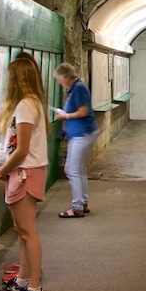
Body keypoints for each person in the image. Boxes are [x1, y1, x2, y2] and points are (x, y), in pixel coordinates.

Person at [0, 58, 48, 291]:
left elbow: (22, 149)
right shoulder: (29, 103)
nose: (6, 81)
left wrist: (2, 170)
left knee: (28, 232)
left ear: (17, 79)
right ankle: (23, 279)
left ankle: (34, 288)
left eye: (9, 77)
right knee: (22, 231)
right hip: (24, 171)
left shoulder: (26, 105)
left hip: (25, 172)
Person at [54, 63, 97, 218]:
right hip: (79, 133)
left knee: (71, 170)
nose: (59, 83)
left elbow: (83, 111)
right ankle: (83, 203)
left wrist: (66, 116)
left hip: (81, 134)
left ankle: (77, 207)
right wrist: (66, 129)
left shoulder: (78, 88)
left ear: (67, 77)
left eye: (60, 80)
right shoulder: (75, 89)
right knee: (78, 170)